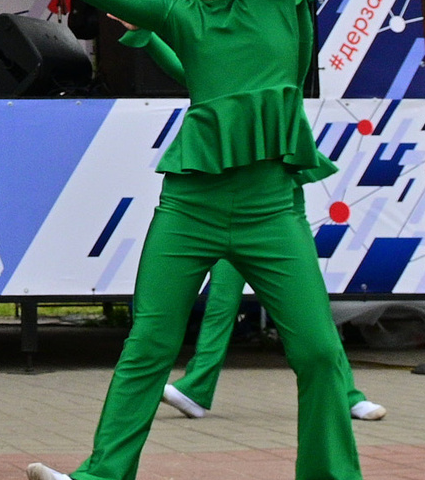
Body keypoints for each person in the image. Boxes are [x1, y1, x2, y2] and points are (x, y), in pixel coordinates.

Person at [0, 0, 387, 480]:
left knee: (318, 350)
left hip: (269, 209)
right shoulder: (180, 17)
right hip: (190, 205)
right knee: (150, 342)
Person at [123, 28, 386, 424]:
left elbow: (298, 57)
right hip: (231, 197)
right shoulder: (221, 45)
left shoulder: (274, 36)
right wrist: (147, 35)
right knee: (224, 299)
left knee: (306, 307)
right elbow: (187, 71)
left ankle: (343, 391)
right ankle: (198, 387)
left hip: (274, 198)